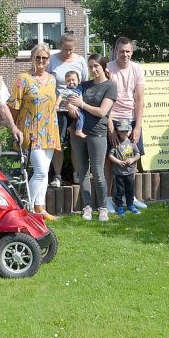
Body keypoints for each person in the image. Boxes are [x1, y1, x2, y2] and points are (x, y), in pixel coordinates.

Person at [9, 44, 61, 221]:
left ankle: (40, 208)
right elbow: (13, 106)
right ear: (32, 58)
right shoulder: (23, 79)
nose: (40, 61)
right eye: (37, 57)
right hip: (30, 131)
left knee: (45, 171)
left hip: (49, 130)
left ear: (48, 60)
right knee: (39, 171)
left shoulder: (52, 80)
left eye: (44, 58)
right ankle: (27, 208)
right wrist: (14, 128)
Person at [67, 54, 117, 222]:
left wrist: (82, 105)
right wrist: (69, 105)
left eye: (96, 66)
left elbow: (102, 112)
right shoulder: (84, 85)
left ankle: (103, 207)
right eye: (90, 67)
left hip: (97, 133)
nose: (93, 70)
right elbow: (71, 98)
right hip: (78, 133)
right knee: (82, 171)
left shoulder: (110, 86)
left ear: (103, 67)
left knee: (97, 171)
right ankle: (87, 206)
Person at [107, 37, 147, 211]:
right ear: (116, 51)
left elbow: (139, 99)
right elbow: (104, 98)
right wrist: (110, 126)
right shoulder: (108, 68)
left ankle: (131, 197)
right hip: (113, 117)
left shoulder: (138, 69)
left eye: (128, 51)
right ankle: (109, 198)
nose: (125, 54)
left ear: (132, 52)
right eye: (122, 51)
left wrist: (137, 126)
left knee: (133, 158)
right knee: (110, 160)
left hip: (130, 119)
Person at [48, 33, 89, 188]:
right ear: (60, 46)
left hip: (76, 108)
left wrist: (76, 105)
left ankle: (76, 173)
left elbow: (84, 86)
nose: (68, 52)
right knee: (58, 143)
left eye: (71, 49)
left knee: (76, 141)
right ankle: (57, 175)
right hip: (58, 109)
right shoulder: (52, 60)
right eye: (65, 49)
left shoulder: (80, 61)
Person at [108, 120, 141, 216]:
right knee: (119, 191)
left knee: (130, 190)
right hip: (119, 173)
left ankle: (130, 205)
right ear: (117, 131)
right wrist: (118, 161)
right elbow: (110, 155)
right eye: (122, 131)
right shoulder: (116, 143)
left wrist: (132, 159)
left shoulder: (132, 143)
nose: (124, 133)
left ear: (130, 131)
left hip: (130, 172)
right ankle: (119, 207)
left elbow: (138, 154)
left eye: (126, 131)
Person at [59, 70, 86, 139]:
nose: (71, 82)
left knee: (78, 117)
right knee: (81, 116)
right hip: (73, 108)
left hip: (79, 106)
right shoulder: (67, 90)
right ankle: (78, 130)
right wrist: (56, 104)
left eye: (73, 80)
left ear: (78, 80)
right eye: (68, 81)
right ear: (65, 83)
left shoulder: (80, 87)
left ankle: (71, 127)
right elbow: (61, 96)